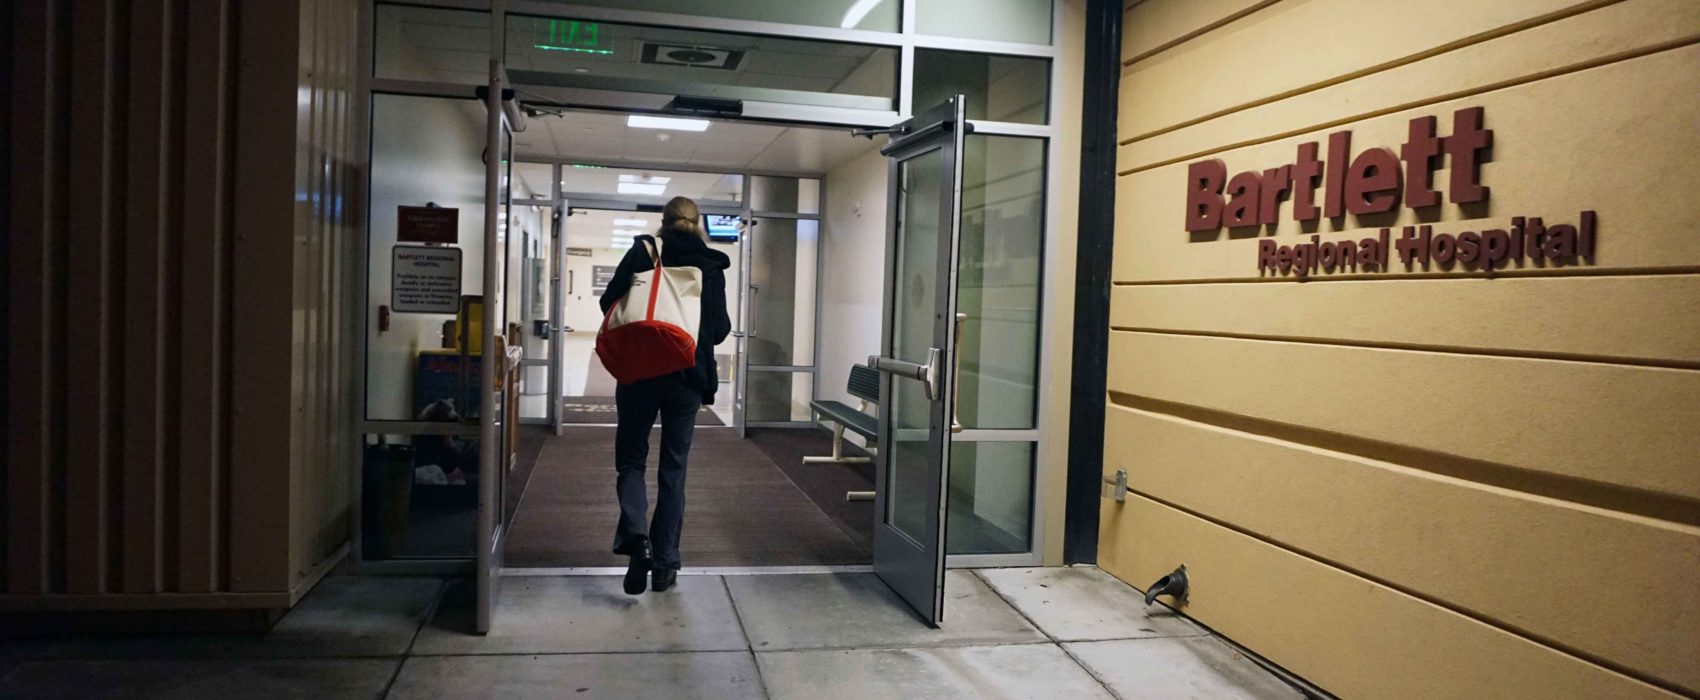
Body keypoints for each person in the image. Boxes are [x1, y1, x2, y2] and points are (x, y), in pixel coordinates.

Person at [598, 196, 732, 595]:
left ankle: (638, 538)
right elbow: (720, 329)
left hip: (639, 372)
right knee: (673, 471)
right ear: (697, 224)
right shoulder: (711, 266)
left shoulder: (644, 251)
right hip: (686, 378)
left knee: (631, 462)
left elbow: (609, 303)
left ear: (664, 222)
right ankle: (666, 564)